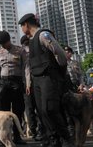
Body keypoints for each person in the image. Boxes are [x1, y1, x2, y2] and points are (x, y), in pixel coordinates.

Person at [18, 13, 72, 147]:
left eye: (21, 26)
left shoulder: (43, 35)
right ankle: (53, 140)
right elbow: (29, 64)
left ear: (26, 25)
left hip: (48, 77)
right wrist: (29, 82)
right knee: (42, 111)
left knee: (50, 109)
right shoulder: (31, 40)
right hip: (37, 80)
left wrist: (58, 72)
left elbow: (61, 55)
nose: (21, 29)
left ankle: (66, 139)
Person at [0, 30, 29, 145]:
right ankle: (5, 137)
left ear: (9, 40)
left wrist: (27, 83)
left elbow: (26, 68)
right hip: (3, 83)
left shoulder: (20, 50)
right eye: (2, 44)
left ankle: (17, 136)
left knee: (18, 111)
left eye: (6, 42)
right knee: (3, 112)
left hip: (17, 82)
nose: (5, 45)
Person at [21, 35, 44, 141]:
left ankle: (37, 131)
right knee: (32, 109)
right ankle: (35, 131)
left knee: (34, 109)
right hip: (27, 85)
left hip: (35, 83)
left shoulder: (30, 52)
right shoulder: (22, 53)